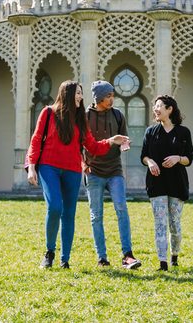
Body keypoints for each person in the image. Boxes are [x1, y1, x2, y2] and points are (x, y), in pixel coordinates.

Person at [26, 80, 129, 269]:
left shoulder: (81, 120)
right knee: (55, 206)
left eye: (82, 93)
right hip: (48, 166)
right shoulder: (48, 113)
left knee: (69, 214)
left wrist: (111, 141)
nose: (81, 96)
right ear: (66, 93)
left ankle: (65, 259)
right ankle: (50, 252)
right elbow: (36, 139)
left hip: (72, 170)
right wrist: (31, 166)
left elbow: (93, 146)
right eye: (77, 93)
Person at [84, 80, 141, 269]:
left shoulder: (117, 115)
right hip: (93, 172)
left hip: (115, 170)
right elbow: (77, 144)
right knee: (96, 215)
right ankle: (102, 258)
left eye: (112, 95)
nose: (112, 99)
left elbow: (124, 138)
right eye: (108, 96)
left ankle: (128, 256)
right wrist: (82, 163)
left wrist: (125, 144)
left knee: (121, 209)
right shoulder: (84, 117)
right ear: (99, 97)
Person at [140, 94, 193, 271]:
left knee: (175, 225)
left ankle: (174, 256)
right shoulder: (150, 132)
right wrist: (150, 162)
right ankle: (162, 261)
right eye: (155, 106)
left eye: (159, 106)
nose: (156, 109)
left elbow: (189, 159)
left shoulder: (183, 132)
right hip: (157, 183)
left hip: (177, 184)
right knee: (160, 223)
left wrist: (178, 158)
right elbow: (144, 156)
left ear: (169, 109)